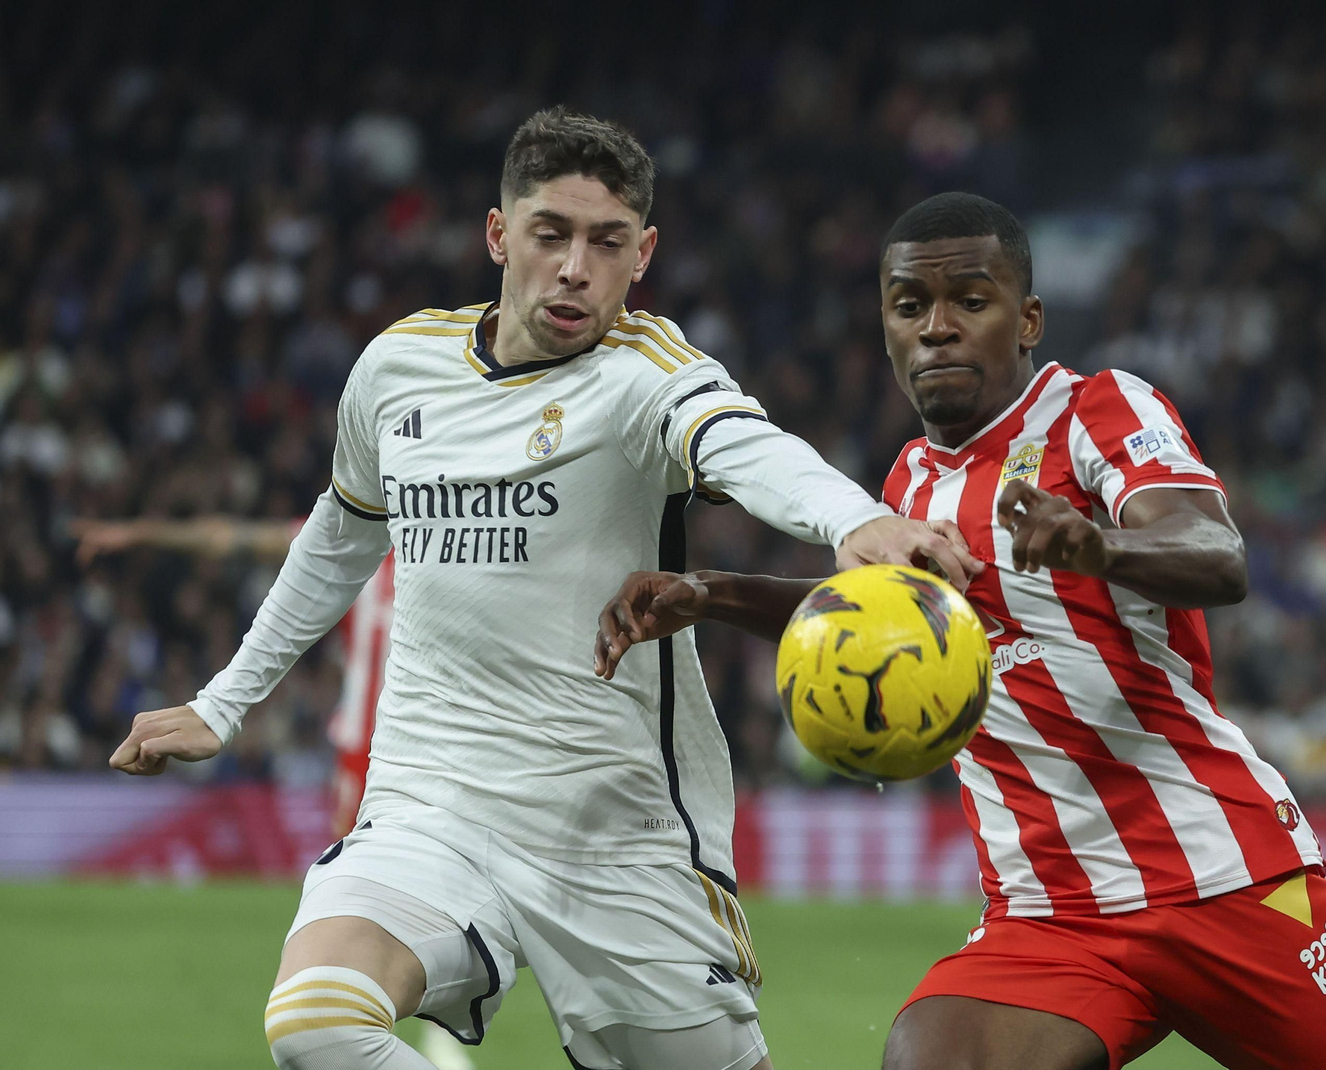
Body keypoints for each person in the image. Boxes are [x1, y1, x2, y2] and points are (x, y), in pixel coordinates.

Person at [108, 108, 977, 1070]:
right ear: (497, 234)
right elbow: (343, 533)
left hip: (616, 832)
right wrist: (222, 704)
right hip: (432, 805)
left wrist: (852, 520)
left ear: (642, 255)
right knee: (318, 1023)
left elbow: (745, 443)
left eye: (607, 243)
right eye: (549, 235)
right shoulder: (400, 369)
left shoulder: (646, 375)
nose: (575, 267)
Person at [594, 192, 1326, 1070]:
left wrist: (1097, 544)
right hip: (1048, 912)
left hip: (1220, 874)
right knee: (931, 1056)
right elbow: (863, 620)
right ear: (885, 328)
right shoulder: (908, 486)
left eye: (970, 302)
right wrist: (709, 591)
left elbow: (1217, 552)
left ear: (1027, 319)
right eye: (911, 306)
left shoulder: (1098, 411)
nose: (938, 328)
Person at [76, 517, 387, 839]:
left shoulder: (432, 543)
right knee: (356, 864)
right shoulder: (356, 533)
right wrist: (143, 532)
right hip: (363, 745)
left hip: (424, 740)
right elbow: (225, 539)